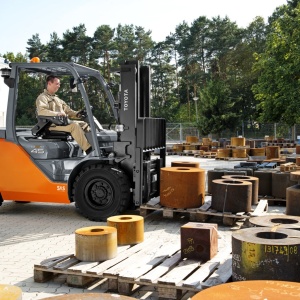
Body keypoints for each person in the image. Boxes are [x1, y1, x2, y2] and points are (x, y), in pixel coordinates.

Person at [36, 75, 92, 154]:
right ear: (49, 83)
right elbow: (41, 111)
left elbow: (68, 111)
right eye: (57, 84)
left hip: (62, 123)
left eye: (59, 84)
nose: (59, 86)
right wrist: (57, 113)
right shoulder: (42, 97)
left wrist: (77, 114)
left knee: (84, 124)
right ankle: (89, 150)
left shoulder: (57, 99)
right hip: (51, 125)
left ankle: (92, 146)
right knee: (74, 126)